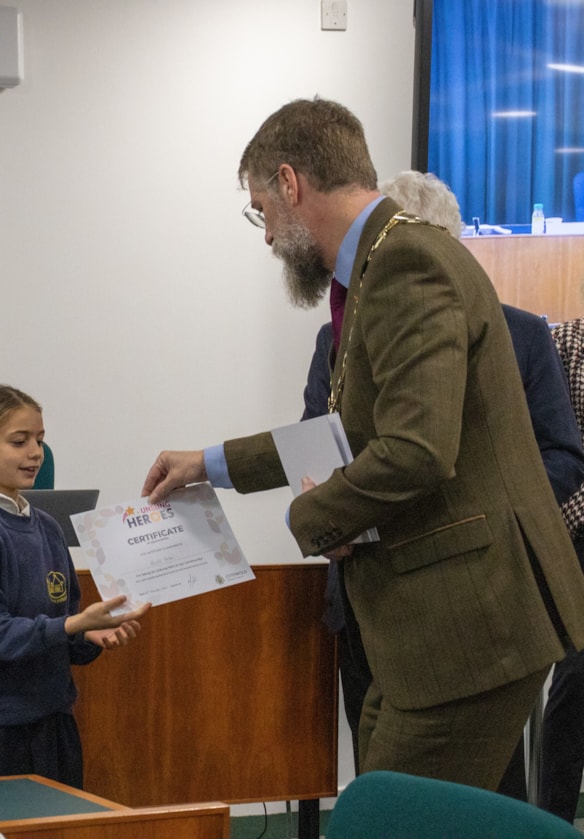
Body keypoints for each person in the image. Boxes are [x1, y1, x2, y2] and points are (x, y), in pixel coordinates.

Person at [142, 98, 584, 792]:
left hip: (470, 622)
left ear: (291, 184)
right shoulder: (380, 265)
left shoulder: (406, 261)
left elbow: (416, 448)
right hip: (437, 622)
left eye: (261, 211)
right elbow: (350, 433)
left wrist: (313, 517)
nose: (265, 237)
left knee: (391, 820)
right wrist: (212, 464)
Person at [300, 170, 584, 800]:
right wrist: (324, 510)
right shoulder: (333, 339)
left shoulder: (521, 333)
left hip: (467, 608)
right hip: (365, 593)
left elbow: (559, 457)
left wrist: (461, 498)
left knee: (473, 800)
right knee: (379, 787)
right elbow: (312, 444)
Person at [0, 384, 149, 789]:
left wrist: (90, 634)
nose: (35, 452)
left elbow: (64, 624)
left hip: (53, 721)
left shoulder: (46, 526)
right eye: (19, 441)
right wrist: (70, 626)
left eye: (40, 440)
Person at [544, 317, 584, 823]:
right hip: (577, 531)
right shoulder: (565, 340)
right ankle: (551, 820)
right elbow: (554, 449)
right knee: (577, 676)